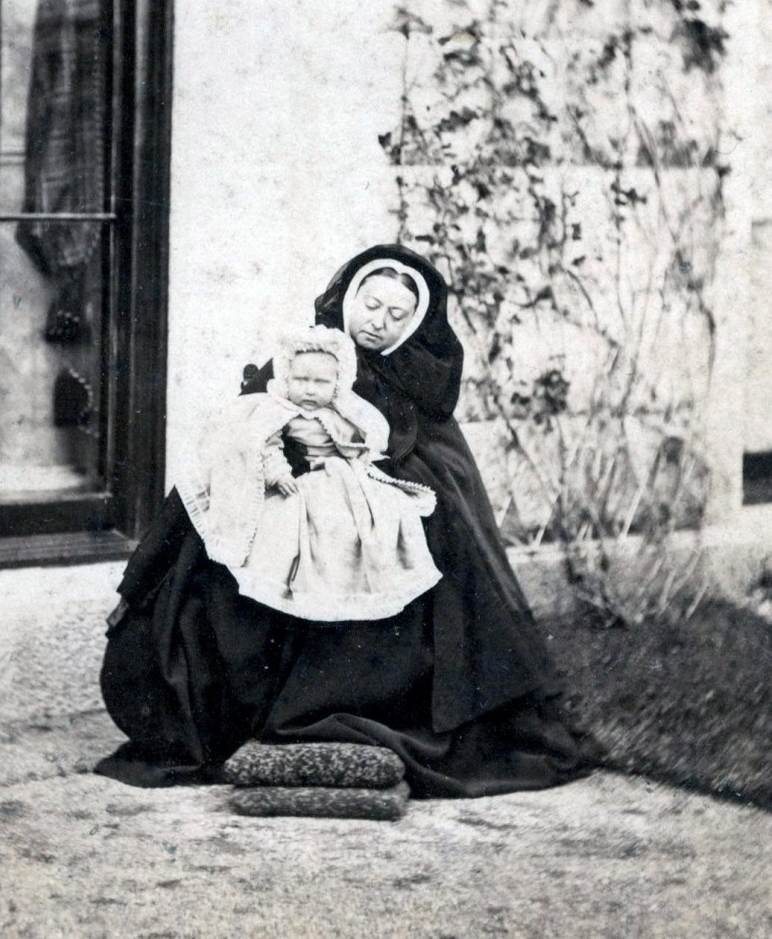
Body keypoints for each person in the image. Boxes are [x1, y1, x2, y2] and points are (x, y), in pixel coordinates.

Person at [97, 243, 596, 796]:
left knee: (412, 544)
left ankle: (356, 703)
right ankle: (237, 712)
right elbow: (233, 445)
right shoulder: (301, 363)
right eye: (370, 305)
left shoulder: (416, 391)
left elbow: (439, 478)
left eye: (395, 316)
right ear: (349, 299)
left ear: (413, 325)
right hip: (282, 507)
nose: (377, 323)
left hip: (367, 529)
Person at [176, 324, 441, 621]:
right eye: (301, 380)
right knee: (302, 526)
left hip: (346, 473)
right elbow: (264, 442)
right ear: (287, 378)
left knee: (385, 513)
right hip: (310, 476)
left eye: (321, 382)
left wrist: (364, 451)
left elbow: (369, 433)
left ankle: (360, 586)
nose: (310, 390)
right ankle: (311, 592)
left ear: (338, 383)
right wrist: (278, 474)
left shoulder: (344, 409)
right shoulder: (281, 410)